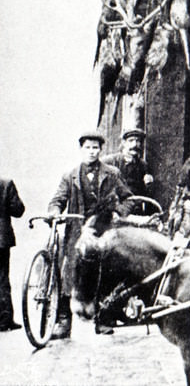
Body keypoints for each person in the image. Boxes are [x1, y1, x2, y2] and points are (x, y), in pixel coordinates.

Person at [48, 130, 133, 338]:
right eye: (88, 147)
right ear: (81, 149)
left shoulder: (111, 173)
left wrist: (118, 212)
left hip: (103, 230)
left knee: (104, 273)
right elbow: (57, 199)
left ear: (101, 150)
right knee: (68, 274)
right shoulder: (70, 175)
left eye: (95, 148)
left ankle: (103, 320)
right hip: (77, 231)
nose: (92, 152)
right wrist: (55, 213)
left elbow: (129, 198)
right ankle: (63, 322)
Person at [0, 173, 25, 332]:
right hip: (1, 239)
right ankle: (4, 320)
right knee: (2, 278)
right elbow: (18, 210)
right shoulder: (6, 183)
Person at [101, 128, 154, 202]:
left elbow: (144, 192)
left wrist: (148, 185)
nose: (135, 145)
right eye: (131, 140)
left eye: (138, 141)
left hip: (134, 206)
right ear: (124, 143)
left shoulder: (143, 165)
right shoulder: (110, 161)